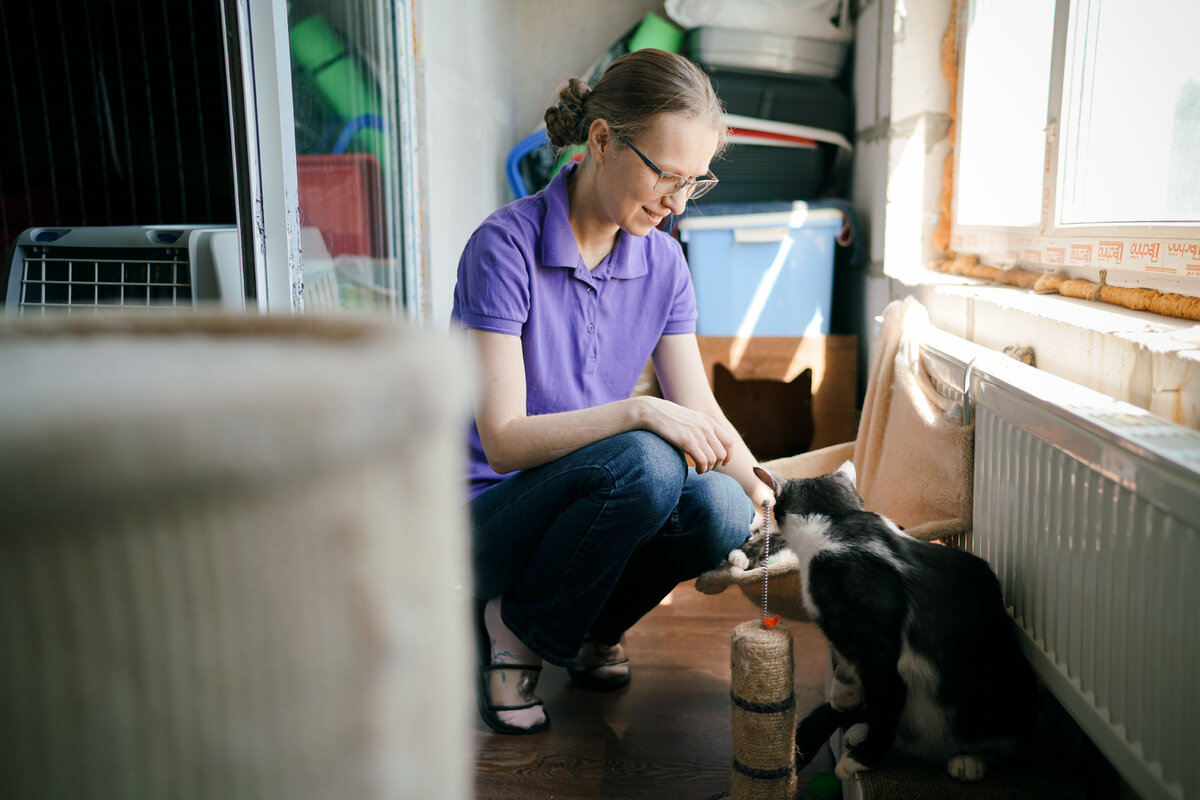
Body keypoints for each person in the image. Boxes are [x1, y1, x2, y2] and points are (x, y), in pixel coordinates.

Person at [451, 48, 774, 735]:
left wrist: (767, 493)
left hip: (589, 490)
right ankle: (513, 626)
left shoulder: (664, 262)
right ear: (601, 140)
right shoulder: (502, 248)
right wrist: (639, 410)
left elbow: (701, 410)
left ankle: (595, 624)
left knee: (718, 506)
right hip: (487, 518)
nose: (677, 202)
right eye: (666, 175)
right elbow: (505, 442)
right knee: (649, 461)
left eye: (696, 182)